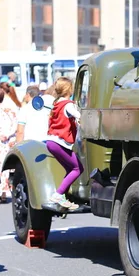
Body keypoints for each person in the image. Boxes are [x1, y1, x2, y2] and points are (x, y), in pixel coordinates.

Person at [45, 77, 82, 211]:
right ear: (69, 89)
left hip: (51, 141)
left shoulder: (56, 104)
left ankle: (63, 197)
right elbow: (77, 115)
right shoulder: (68, 104)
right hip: (61, 142)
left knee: (70, 168)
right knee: (78, 169)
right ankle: (58, 194)